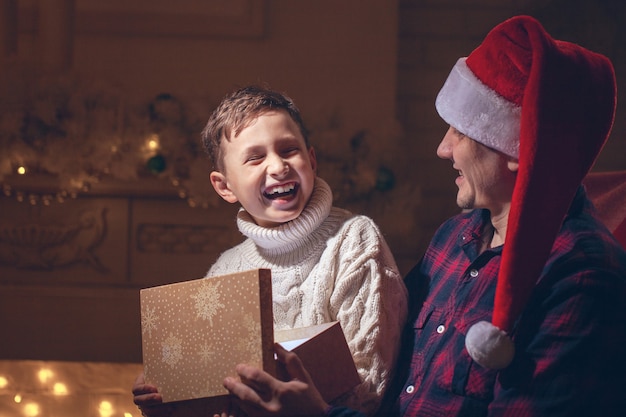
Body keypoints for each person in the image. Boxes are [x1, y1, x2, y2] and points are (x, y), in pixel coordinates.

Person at [218, 15, 626, 417]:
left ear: (518, 148)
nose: (443, 149)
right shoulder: (456, 236)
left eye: (460, 132)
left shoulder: (582, 277)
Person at [132, 85, 408, 417]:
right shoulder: (226, 268)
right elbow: (214, 391)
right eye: (255, 157)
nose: (278, 167)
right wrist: (169, 402)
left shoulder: (354, 240)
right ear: (225, 186)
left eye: (289, 150)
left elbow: (371, 386)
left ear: (312, 160)